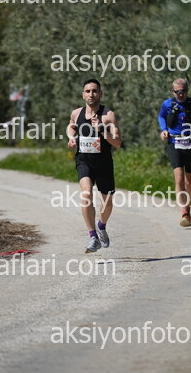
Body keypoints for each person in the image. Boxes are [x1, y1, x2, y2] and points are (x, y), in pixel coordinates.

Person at [67, 79, 122, 252]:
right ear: (83, 94)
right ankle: (92, 236)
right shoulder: (77, 113)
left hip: (104, 163)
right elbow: (71, 126)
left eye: (95, 91)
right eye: (88, 91)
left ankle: (101, 226)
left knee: (107, 204)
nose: (91, 94)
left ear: (100, 94)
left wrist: (102, 130)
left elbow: (117, 143)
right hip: (84, 161)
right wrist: (71, 137)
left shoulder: (108, 115)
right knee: (86, 194)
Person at [158, 78, 191, 227]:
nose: (181, 95)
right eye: (178, 92)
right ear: (173, 92)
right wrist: (164, 130)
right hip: (174, 143)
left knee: (189, 181)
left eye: (183, 92)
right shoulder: (167, 104)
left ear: (187, 91)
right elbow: (161, 116)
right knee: (179, 178)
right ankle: (184, 211)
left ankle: (188, 205)